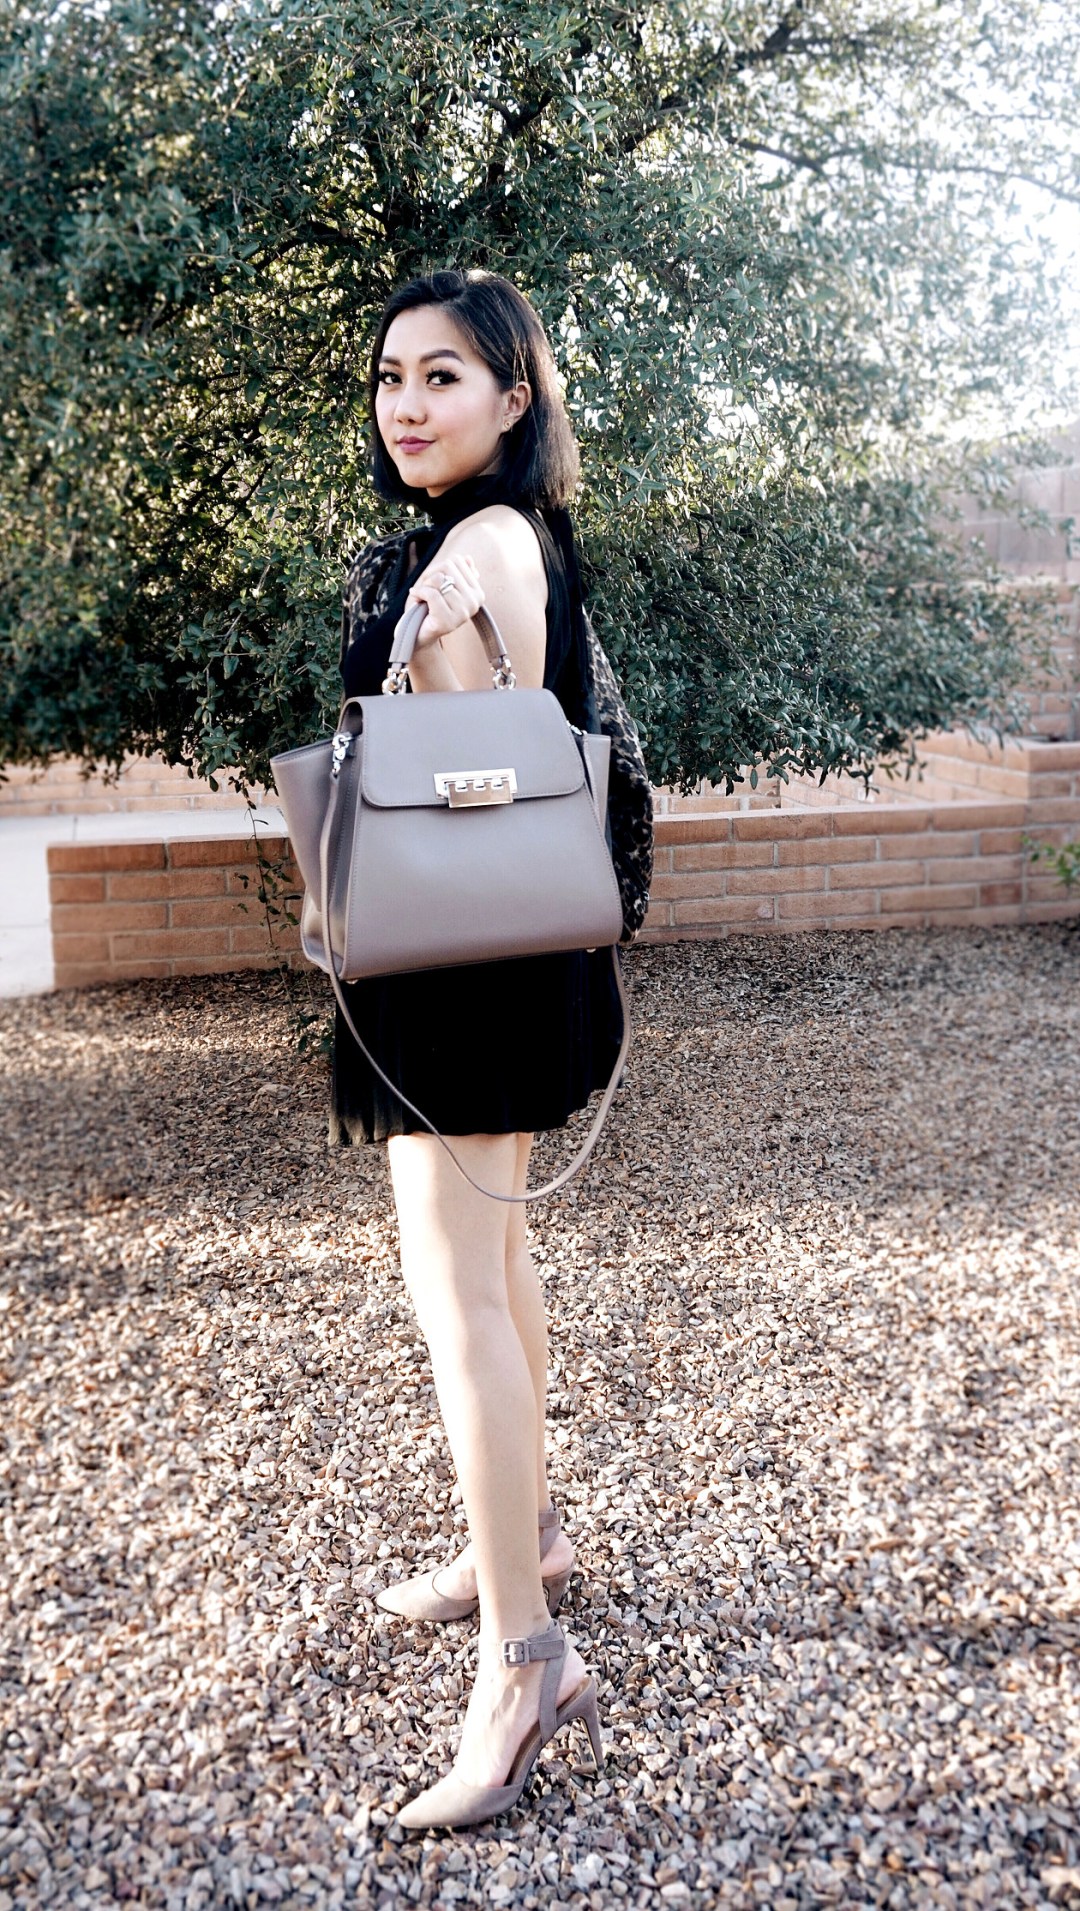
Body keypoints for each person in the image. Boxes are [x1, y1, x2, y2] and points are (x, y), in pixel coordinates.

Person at [333, 269, 623, 1828]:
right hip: (502, 960)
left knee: (459, 1304)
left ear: (515, 398)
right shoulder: (511, 535)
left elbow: (454, 769)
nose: (407, 404)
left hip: (464, 970)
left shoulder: (476, 546)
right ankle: (529, 1536)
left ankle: (523, 1665)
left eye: (442, 376)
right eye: (391, 376)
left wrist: (432, 638)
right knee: (496, 1272)